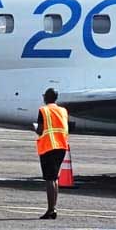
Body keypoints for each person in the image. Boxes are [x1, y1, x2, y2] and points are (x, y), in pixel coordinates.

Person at [34, 88, 70, 220]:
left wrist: (35, 128)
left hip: (49, 146)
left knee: (49, 179)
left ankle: (51, 209)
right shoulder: (63, 110)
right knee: (54, 178)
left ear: (46, 98)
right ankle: (53, 208)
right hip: (61, 146)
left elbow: (40, 130)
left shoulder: (44, 110)